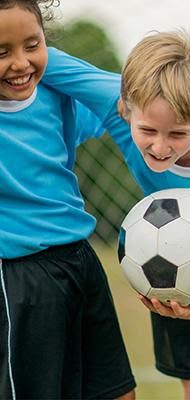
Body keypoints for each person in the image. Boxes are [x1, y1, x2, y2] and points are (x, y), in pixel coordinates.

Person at [42, 31, 190, 400]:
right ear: (126, 108)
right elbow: (45, 60)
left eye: (177, 134)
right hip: (165, 241)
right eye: (147, 130)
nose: (159, 145)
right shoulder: (118, 100)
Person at [0, 1, 136, 398]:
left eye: (32, 44)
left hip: (80, 259)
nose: (21, 63)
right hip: (19, 279)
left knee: (116, 391)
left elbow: (121, 104)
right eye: (1, 52)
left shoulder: (55, 96)